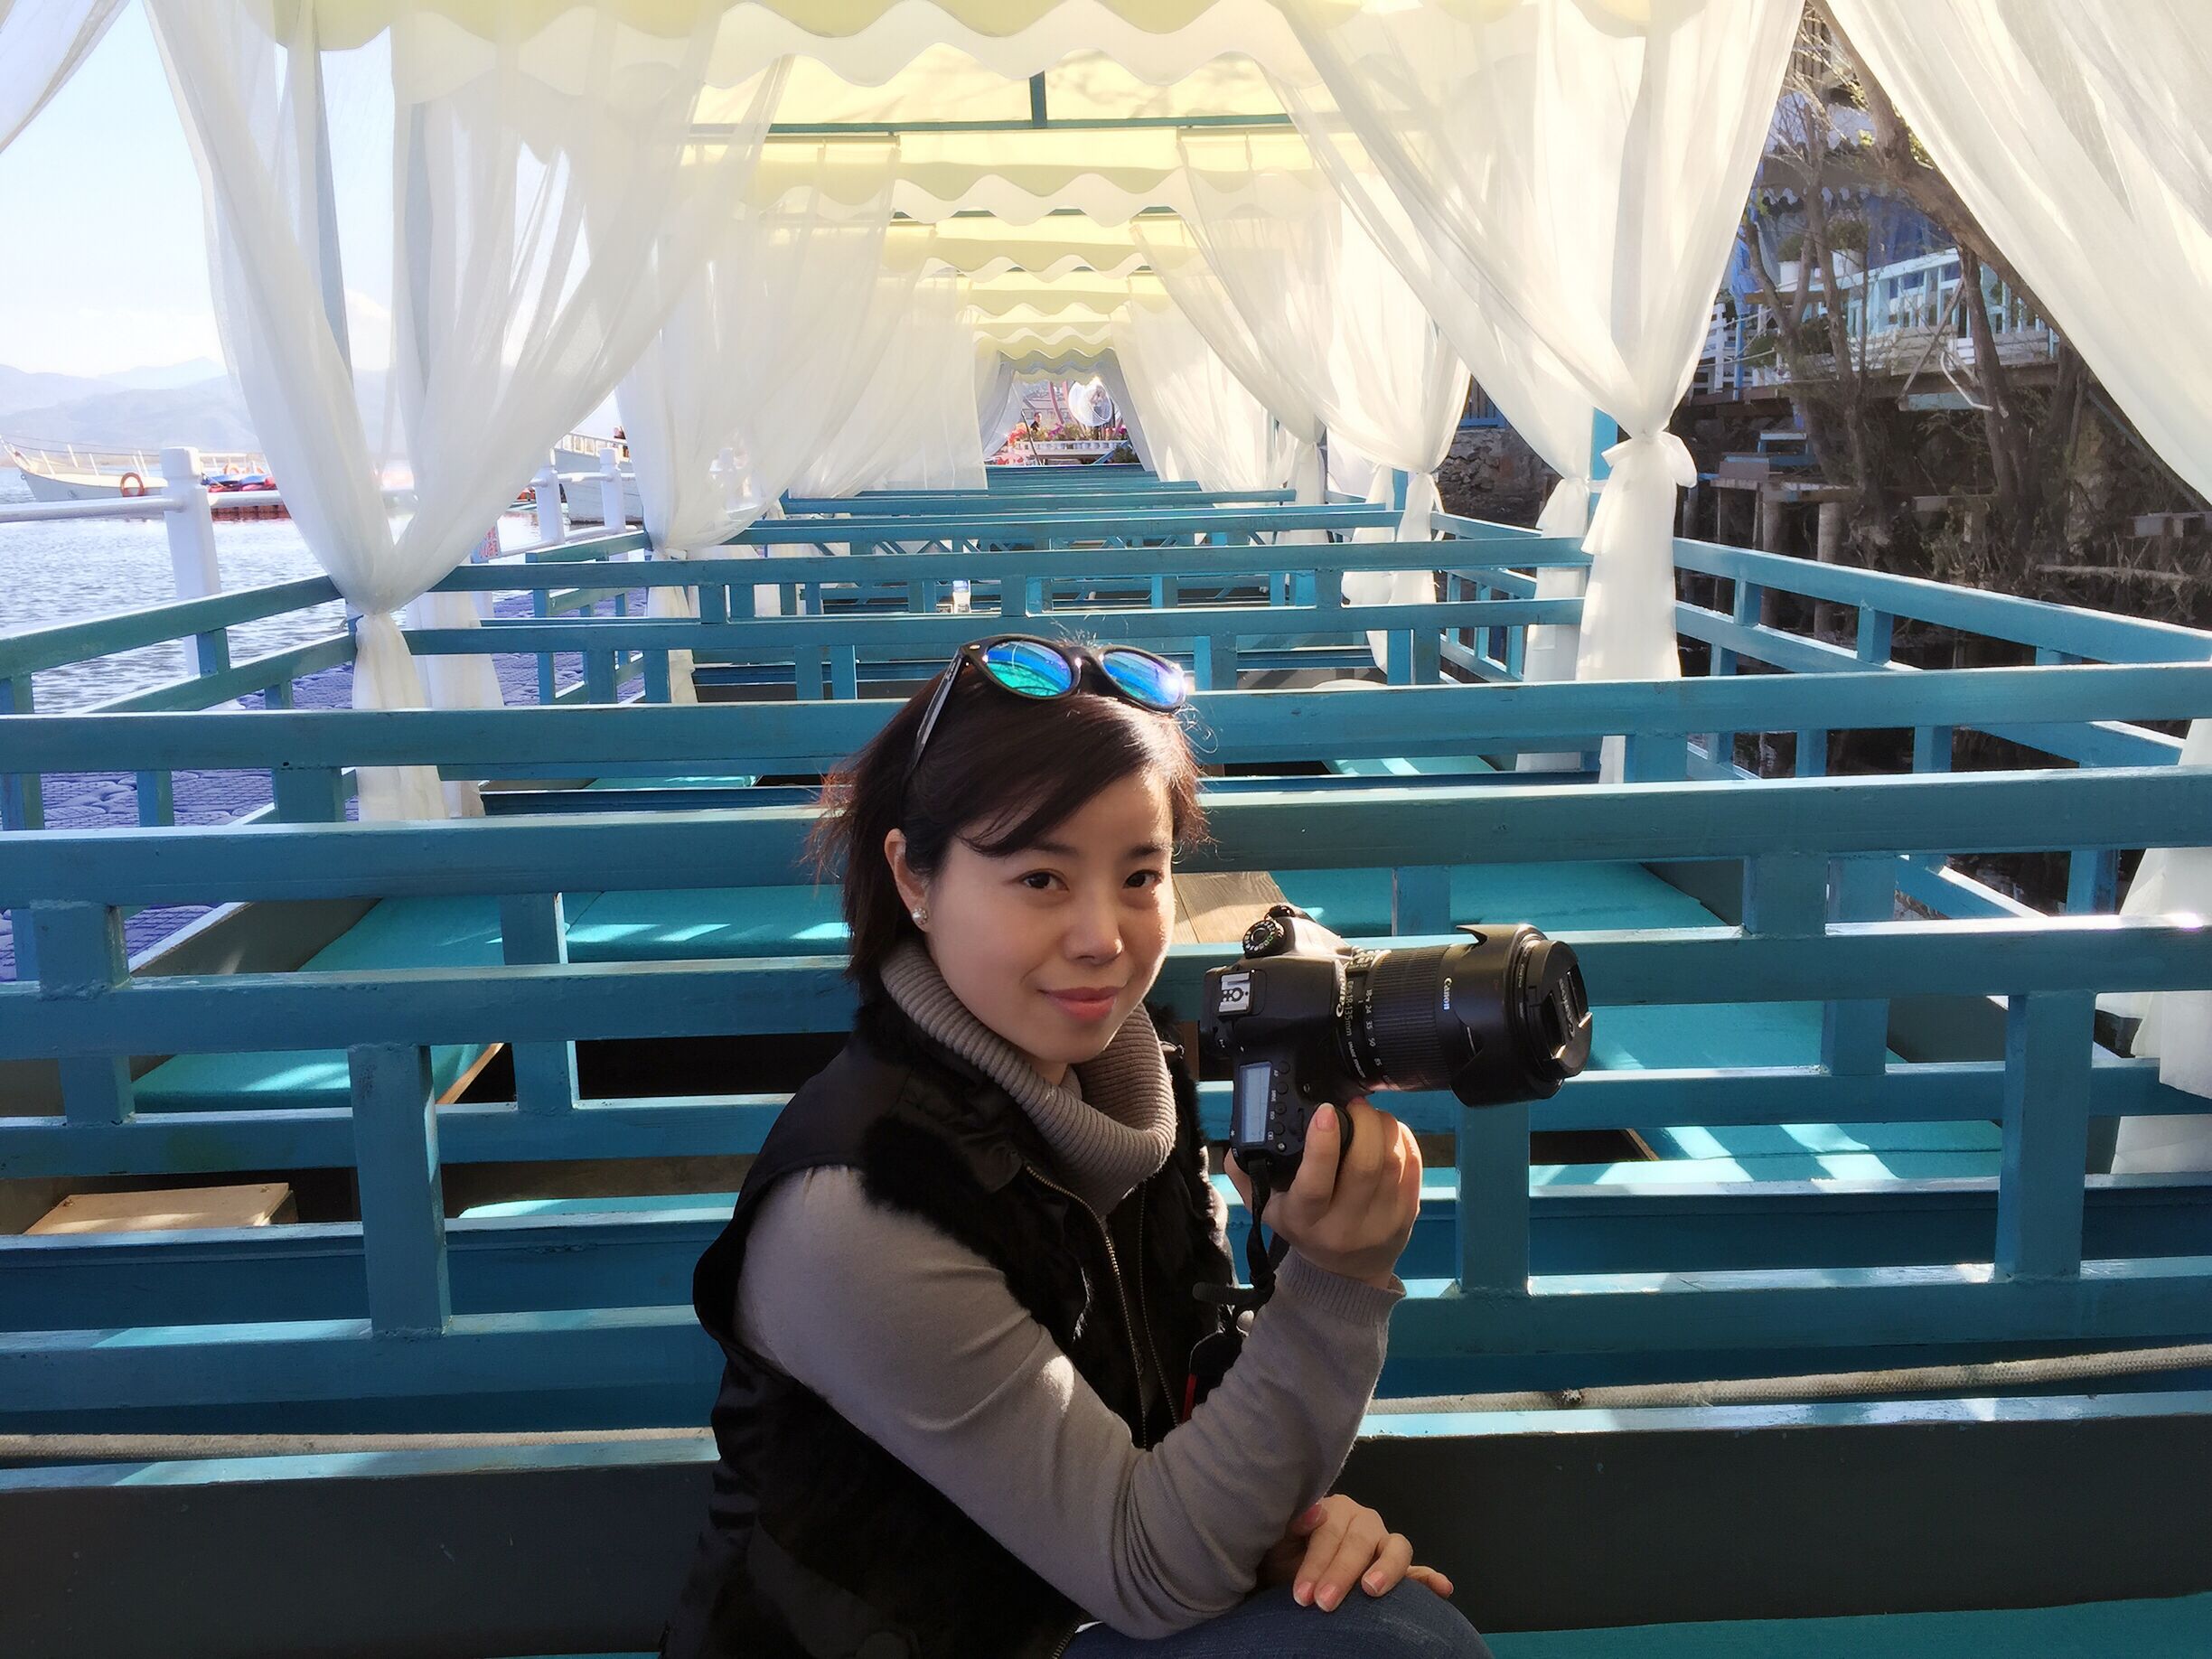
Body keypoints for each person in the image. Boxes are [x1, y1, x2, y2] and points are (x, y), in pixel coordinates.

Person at [660, 636, 1491, 1659]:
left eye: (1141, 875)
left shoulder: (1134, 1096)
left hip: (1055, 1619)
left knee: (1386, 1627)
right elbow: (1150, 1568)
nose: (1104, 936)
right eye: (1041, 878)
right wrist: (1333, 1283)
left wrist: (1277, 1530)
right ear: (913, 874)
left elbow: (1187, 1432)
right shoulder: (861, 1204)